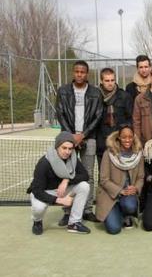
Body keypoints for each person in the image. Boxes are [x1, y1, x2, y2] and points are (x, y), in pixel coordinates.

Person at [55, 60, 103, 223]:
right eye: (77, 71)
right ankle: (68, 211)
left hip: (89, 139)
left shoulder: (96, 93)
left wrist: (83, 135)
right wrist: (71, 136)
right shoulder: (63, 91)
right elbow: (60, 113)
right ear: (73, 73)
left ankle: (87, 209)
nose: (79, 74)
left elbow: (98, 116)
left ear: (87, 74)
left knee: (88, 175)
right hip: (67, 139)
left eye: (82, 72)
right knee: (67, 173)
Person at [28, 131, 91, 235]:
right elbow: (37, 190)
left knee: (84, 186)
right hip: (44, 192)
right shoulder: (44, 163)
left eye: (70, 149)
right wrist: (60, 200)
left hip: (62, 190)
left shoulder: (73, 159)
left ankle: (74, 223)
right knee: (39, 208)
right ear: (57, 147)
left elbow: (85, 176)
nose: (67, 152)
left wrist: (67, 180)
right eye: (64, 148)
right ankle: (37, 221)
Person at [95, 125, 144, 234]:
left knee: (130, 206)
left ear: (133, 137)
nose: (127, 140)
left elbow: (141, 177)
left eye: (130, 137)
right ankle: (112, 212)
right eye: (124, 137)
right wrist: (119, 190)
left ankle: (126, 215)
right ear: (119, 138)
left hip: (128, 194)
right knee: (114, 229)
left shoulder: (138, 153)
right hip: (109, 195)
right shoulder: (109, 153)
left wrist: (135, 188)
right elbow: (103, 179)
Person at [96, 68, 133, 168]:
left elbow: (130, 118)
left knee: (120, 172)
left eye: (112, 80)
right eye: (107, 80)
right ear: (101, 81)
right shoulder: (95, 96)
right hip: (101, 141)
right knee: (103, 172)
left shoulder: (124, 96)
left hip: (119, 140)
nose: (110, 83)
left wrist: (124, 134)